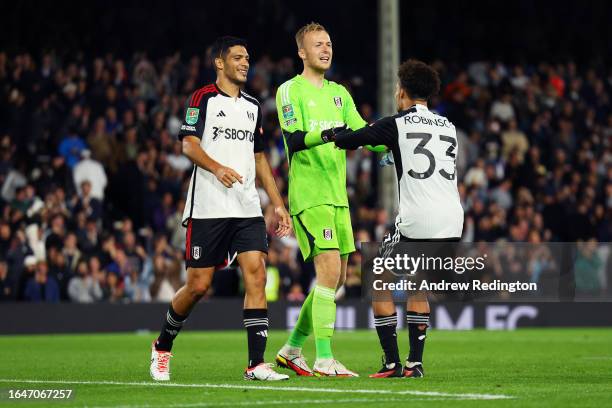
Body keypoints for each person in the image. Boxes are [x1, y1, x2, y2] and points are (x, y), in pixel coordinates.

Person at [150, 36, 292, 382]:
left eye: (248, 58)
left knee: (256, 272)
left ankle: (256, 364)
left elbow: (259, 159)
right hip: (209, 204)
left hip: (245, 205)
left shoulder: (253, 106)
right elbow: (188, 144)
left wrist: (277, 204)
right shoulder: (202, 99)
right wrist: (216, 168)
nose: (245, 63)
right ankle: (163, 345)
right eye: (238, 57)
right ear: (220, 62)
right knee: (198, 286)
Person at [333, 59, 464, 378]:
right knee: (418, 285)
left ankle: (392, 362)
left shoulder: (397, 123)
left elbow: (354, 139)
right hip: (453, 220)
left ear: (402, 91)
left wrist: (331, 134)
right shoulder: (448, 126)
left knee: (375, 279)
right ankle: (414, 364)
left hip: (419, 219)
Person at [274, 22, 383, 377]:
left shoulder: (339, 93)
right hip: (310, 194)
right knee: (330, 271)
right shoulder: (290, 90)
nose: (325, 49)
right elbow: (292, 139)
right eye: (317, 44)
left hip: (338, 197)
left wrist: (394, 139)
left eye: (329, 43)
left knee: (333, 281)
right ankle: (323, 358)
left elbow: (364, 131)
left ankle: (292, 348)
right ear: (302, 52)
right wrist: (326, 134)